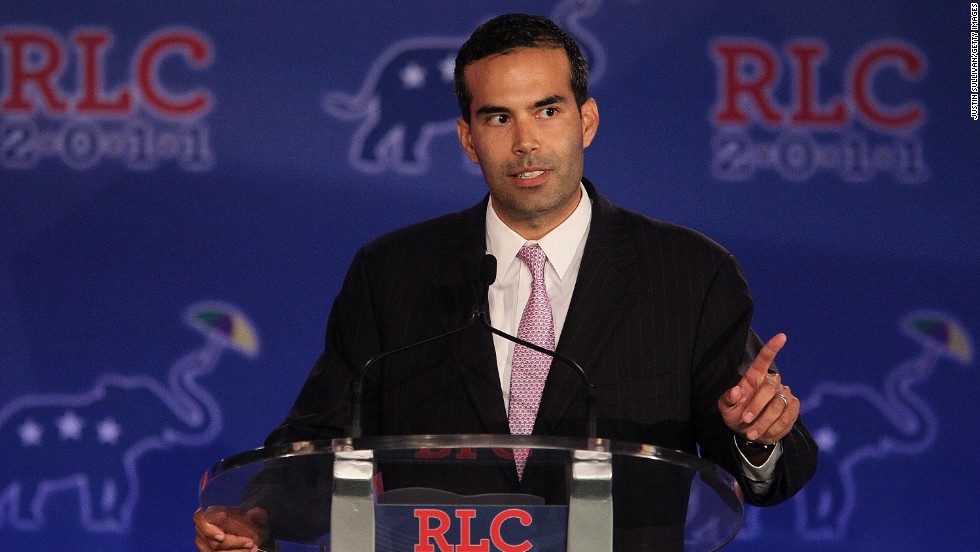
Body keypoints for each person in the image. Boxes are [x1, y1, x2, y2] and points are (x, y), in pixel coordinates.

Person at [194, 13, 817, 552]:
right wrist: (257, 516)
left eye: (548, 110)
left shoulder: (687, 274)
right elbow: (318, 443)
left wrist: (758, 439)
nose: (526, 143)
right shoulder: (394, 274)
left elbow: (765, 470)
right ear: (468, 138)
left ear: (587, 120)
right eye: (498, 118)